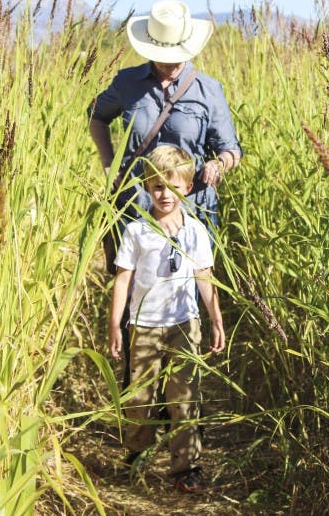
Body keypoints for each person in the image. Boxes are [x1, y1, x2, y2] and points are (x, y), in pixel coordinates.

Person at [108, 145, 225, 493]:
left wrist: (216, 320)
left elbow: (205, 276)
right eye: (157, 186)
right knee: (141, 398)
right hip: (143, 327)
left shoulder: (195, 232)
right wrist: (116, 324)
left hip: (184, 325)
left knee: (184, 398)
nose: (165, 194)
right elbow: (123, 278)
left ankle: (185, 468)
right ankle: (136, 455)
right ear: (147, 187)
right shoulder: (137, 232)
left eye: (173, 187)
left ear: (187, 188)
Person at [88, 0, 243, 236]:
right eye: (162, 54)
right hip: (136, 202)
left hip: (191, 207)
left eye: (174, 55)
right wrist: (109, 165)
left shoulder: (209, 89)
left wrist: (219, 164)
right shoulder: (127, 83)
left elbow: (231, 150)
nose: (169, 62)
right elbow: (96, 117)